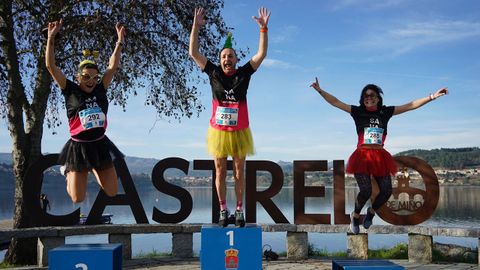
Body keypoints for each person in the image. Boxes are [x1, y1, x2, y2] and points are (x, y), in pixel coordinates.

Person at [310, 78, 448, 234]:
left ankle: (371, 212)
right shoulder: (357, 111)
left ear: (378, 98)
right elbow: (336, 102)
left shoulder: (385, 112)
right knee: (366, 191)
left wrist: (432, 97)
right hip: (362, 156)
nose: (369, 98)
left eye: (372, 95)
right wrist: (320, 91)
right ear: (363, 99)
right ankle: (355, 216)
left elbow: (410, 105)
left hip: (380, 156)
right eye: (366, 96)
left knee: (387, 191)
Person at [189, 7, 271, 227]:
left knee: (238, 170)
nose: (227, 59)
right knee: (219, 169)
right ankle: (223, 209)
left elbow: (261, 55)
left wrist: (263, 29)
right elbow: (194, 53)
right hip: (218, 131)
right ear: (220, 60)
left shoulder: (244, 73)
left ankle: (239, 210)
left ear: (235, 59)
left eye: (230, 56)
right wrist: (196, 27)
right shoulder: (213, 72)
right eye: (224, 56)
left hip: (240, 131)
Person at [45, 19, 125, 203]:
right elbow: (50, 66)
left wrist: (119, 42)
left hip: (99, 144)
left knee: (112, 192)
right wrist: (51, 38)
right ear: (78, 77)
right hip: (78, 147)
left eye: (94, 77)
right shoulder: (70, 89)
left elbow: (112, 67)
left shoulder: (100, 88)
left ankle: (94, 169)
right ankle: (68, 172)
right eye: (86, 77)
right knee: (77, 198)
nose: (91, 81)